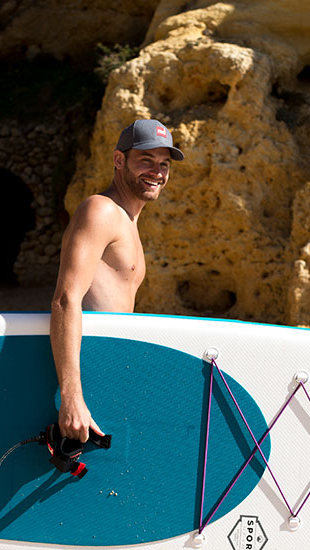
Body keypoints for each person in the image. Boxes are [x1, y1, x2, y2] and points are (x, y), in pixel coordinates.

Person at [50, 119, 185, 443]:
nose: (157, 172)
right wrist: (71, 397)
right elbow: (66, 300)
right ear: (119, 160)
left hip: (108, 370)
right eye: (146, 160)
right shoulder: (101, 210)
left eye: (164, 164)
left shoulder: (127, 221)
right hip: (84, 374)